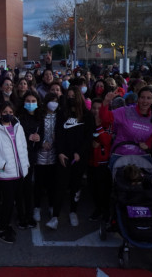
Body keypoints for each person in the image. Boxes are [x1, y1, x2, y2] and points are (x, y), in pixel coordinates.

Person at [0, 101, 30, 244]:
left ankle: (7, 225)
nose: (8, 115)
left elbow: (23, 146)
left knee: (15, 200)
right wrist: (1, 164)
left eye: (10, 112)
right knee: (8, 203)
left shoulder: (18, 127)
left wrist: (25, 163)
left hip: (19, 172)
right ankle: (2, 229)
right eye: (5, 112)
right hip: (5, 173)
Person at [47, 86, 93, 230]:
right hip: (64, 156)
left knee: (76, 186)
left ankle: (73, 211)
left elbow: (88, 137)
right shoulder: (62, 114)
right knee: (59, 186)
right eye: (69, 96)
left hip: (79, 157)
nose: (71, 98)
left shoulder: (87, 115)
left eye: (74, 96)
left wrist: (79, 152)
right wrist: (60, 152)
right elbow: (59, 134)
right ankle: (55, 216)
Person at [100, 86, 152, 157]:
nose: (145, 101)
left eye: (148, 98)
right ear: (138, 99)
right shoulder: (125, 111)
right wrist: (106, 102)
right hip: (120, 156)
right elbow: (105, 118)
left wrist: (148, 145)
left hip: (141, 159)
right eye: (142, 97)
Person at [32, 92, 59, 223]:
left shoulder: (60, 116)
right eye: (51, 100)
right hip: (40, 154)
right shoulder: (40, 115)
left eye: (56, 101)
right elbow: (35, 131)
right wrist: (42, 142)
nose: (54, 103)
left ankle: (52, 206)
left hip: (54, 154)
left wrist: (56, 141)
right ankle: (37, 207)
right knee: (39, 183)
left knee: (52, 183)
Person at [17, 90, 41, 229]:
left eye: (33, 101)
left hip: (31, 156)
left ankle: (29, 215)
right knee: (20, 188)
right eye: (28, 101)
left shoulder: (39, 118)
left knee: (28, 188)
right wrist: (27, 137)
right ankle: (21, 216)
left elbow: (42, 134)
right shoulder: (19, 118)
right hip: (19, 157)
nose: (31, 104)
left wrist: (39, 139)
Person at [87, 98, 113, 222]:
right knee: (93, 188)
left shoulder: (107, 123)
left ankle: (106, 211)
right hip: (91, 162)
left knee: (104, 189)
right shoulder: (87, 122)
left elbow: (107, 141)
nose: (96, 111)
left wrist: (98, 126)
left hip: (103, 162)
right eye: (94, 108)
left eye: (99, 108)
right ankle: (98, 209)